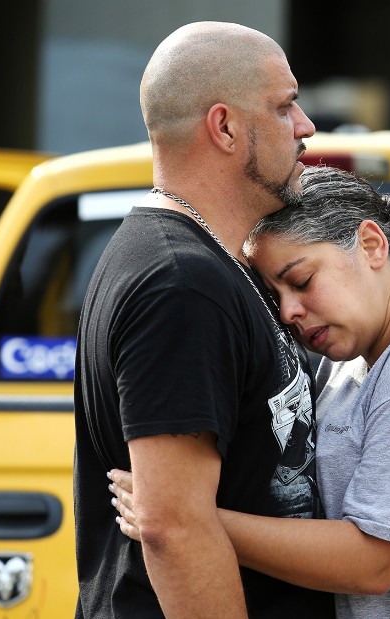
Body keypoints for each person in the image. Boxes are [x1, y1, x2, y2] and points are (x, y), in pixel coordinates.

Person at [109, 165, 390, 618]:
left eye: (302, 281)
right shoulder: (351, 357)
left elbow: (376, 563)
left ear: (371, 244)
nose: (289, 311)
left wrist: (185, 517)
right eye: (274, 295)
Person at [73, 21, 332, 618]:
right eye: (285, 105)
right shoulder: (181, 285)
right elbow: (173, 528)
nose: (305, 127)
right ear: (225, 126)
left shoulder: (213, 266)